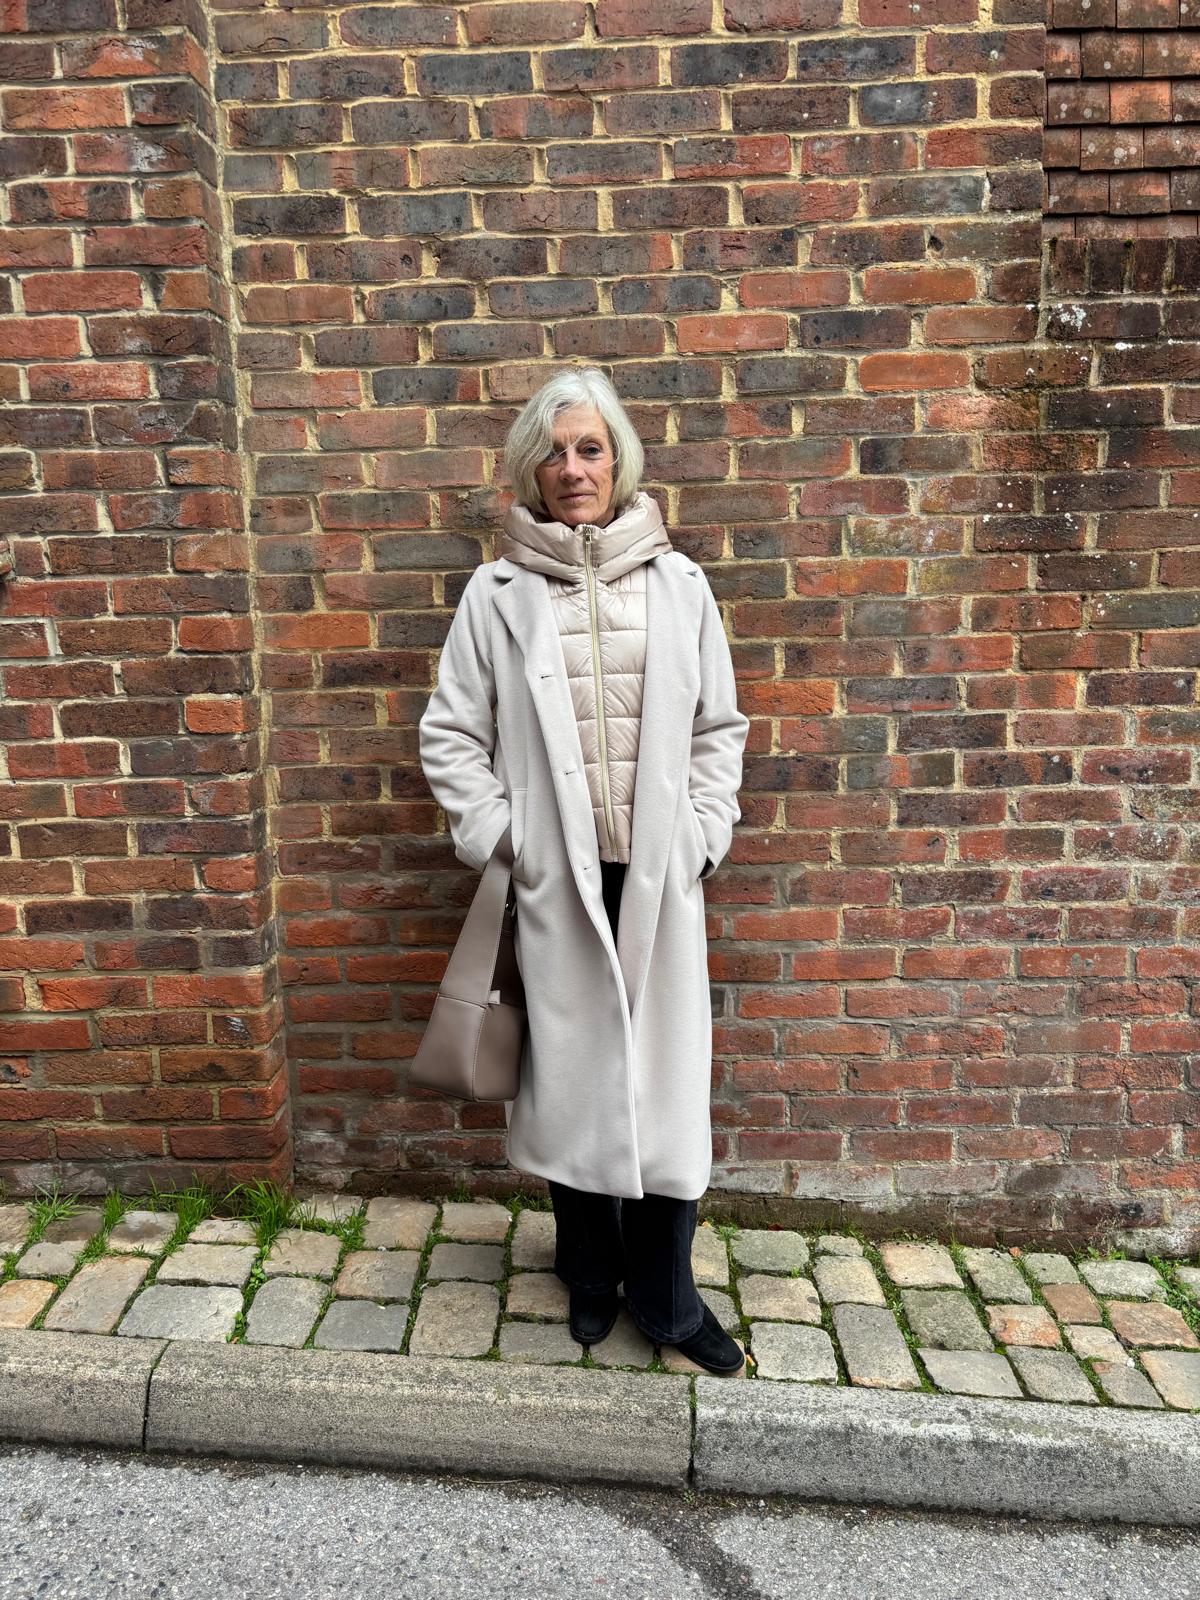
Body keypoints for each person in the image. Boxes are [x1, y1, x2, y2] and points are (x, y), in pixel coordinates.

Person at [418, 367, 750, 1375]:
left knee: (662, 1087)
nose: (573, 468)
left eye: (591, 448)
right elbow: (451, 736)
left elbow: (718, 730)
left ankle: (667, 1292)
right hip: (555, 881)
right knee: (569, 1078)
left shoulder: (681, 586)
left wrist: (700, 835)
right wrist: (507, 840)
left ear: (619, 461)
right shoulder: (496, 596)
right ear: (532, 469)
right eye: (554, 452)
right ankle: (590, 1268)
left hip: (657, 882)